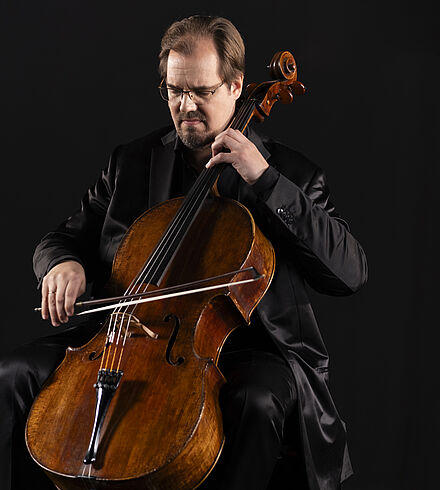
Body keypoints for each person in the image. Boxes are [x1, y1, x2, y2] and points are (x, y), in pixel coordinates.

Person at [0, 15, 367, 490]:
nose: (185, 105)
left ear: (236, 87)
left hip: (244, 350)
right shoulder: (130, 161)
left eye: (201, 92)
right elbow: (62, 238)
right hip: (125, 335)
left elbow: (350, 272)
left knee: (256, 401)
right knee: (14, 373)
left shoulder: (290, 174)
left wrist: (267, 182)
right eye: (174, 91)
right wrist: (60, 264)